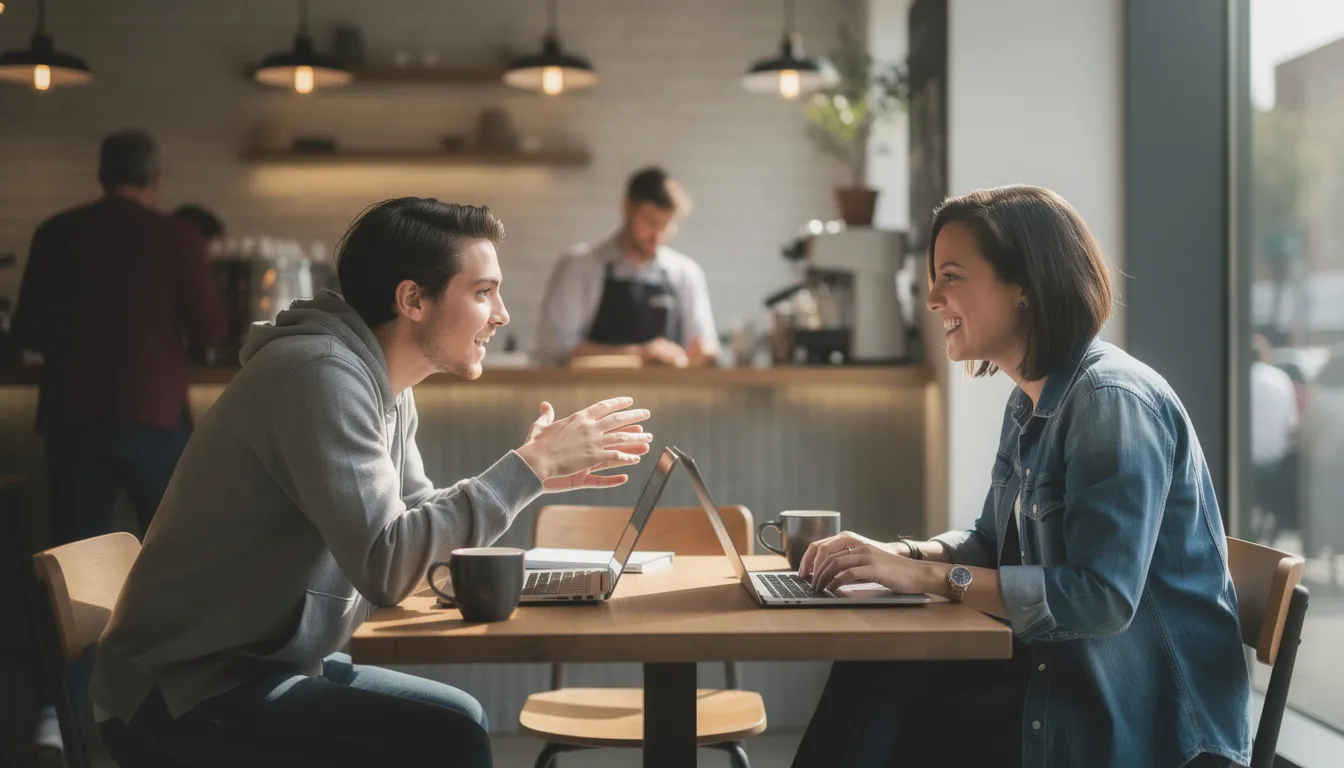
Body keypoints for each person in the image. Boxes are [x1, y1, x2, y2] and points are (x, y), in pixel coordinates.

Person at [89, 198, 655, 767]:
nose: (502, 314)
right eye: (483, 292)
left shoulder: (383, 385)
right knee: (448, 737)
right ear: (412, 299)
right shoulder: (318, 376)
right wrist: (528, 467)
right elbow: (390, 564)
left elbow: (409, 524)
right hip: (184, 693)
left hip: (260, 666)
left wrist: (532, 476)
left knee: (462, 719)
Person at [793, 186, 1251, 768]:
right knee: (878, 672)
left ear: (1026, 287)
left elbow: (1101, 599)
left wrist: (926, 577)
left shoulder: (1110, 402)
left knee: (890, 698)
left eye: (951, 276)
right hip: (1066, 682)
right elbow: (989, 543)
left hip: (1143, 727)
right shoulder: (1033, 400)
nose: (932, 297)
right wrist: (896, 555)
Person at [14, 129, 225, 545]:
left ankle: (81, 615)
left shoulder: (56, 231)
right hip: (155, 413)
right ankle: (160, 613)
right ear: (156, 178)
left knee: (76, 555)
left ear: (101, 175)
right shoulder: (179, 237)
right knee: (173, 547)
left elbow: (29, 330)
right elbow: (210, 329)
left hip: (72, 414)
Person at [536, 166, 719, 367]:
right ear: (626, 207)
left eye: (666, 225)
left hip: (671, 396)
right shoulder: (579, 267)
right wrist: (638, 354)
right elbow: (555, 350)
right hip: (597, 394)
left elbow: (703, 344)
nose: (657, 236)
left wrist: (706, 352)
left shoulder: (685, 273)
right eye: (649, 222)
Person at [1249, 333, 1299, 545]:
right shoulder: (1280, 379)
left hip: (1245, 466)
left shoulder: (1236, 379)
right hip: (1275, 465)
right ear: (1266, 355)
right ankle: (1270, 539)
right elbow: (1292, 425)